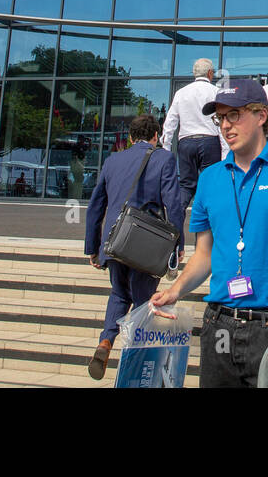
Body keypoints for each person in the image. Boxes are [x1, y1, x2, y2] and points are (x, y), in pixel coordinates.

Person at [149, 79, 268, 388]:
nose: (225, 125)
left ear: (261, 116)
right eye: (220, 118)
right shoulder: (209, 178)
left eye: (234, 115)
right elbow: (205, 255)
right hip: (218, 324)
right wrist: (175, 290)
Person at [84, 113, 184, 380]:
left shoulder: (113, 159)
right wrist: (177, 244)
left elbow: (96, 206)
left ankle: (106, 341)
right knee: (143, 302)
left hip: (115, 241)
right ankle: (136, 362)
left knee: (119, 293)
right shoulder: (163, 158)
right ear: (156, 136)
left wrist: (93, 247)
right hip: (146, 243)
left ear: (129, 138)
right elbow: (173, 204)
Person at [160, 58, 228, 206]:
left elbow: (170, 122)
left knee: (186, 186)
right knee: (211, 185)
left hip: (186, 142)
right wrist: (225, 152)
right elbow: (221, 124)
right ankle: (208, 225)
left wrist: (166, 148)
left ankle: (175, 221)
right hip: (210, 142)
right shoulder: (216, 92)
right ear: (210, 73)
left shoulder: (181, 93)